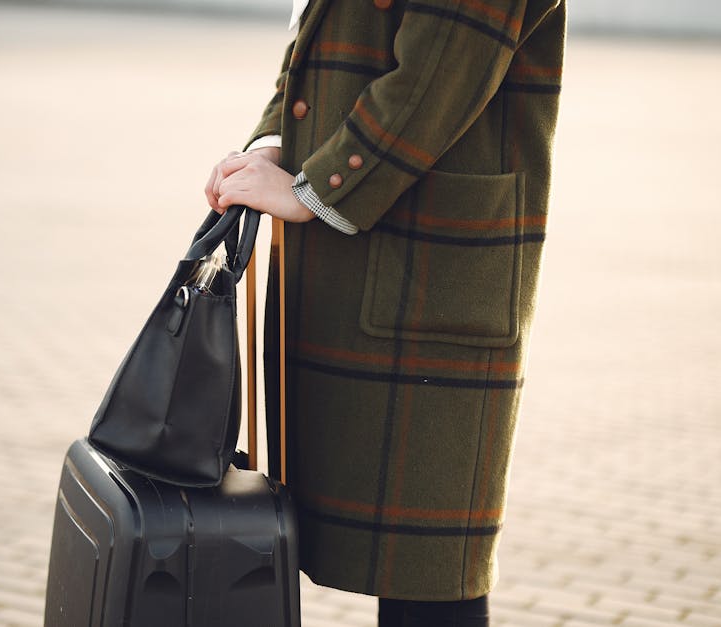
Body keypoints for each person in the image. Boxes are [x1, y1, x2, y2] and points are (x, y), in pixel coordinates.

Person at [205, 1, 566, 625]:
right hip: (358, 251)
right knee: (407, 566)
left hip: (432, 265)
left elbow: (441, 65)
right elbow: (316, 38)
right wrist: (272, 145)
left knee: (430, 575)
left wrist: (316, 188)